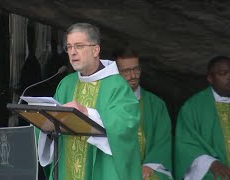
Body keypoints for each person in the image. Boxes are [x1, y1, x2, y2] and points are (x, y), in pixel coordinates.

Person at [37, 23, 142, 180]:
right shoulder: (66, 84)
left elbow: (125, 126)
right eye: (69, 47)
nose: (73, 52)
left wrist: (86, 113)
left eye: (79, 46)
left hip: (102, 170)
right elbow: (50, 127)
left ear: (96, 50)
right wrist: (46, 124)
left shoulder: (117, 85)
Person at [113, 48, 172, 180]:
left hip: (148, 169)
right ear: (115, 73)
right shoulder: (108, 103)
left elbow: (163, 140)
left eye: (136, 69)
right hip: (116, 168)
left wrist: (150, 165)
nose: (133, 75)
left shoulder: (156, 104)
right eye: (126, 71)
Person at [175, 56, 230, 180]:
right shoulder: (192, 107)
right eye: (223, 73)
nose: (229, 77)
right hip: (211, 170)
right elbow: (186, 144)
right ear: (210, 78)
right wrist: (211, 163)